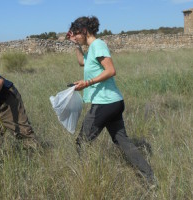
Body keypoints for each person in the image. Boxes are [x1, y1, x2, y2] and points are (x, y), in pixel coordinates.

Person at [66, 16, 156, 187]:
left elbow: (111, 70)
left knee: (81, 143)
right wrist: (76, 45)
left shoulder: (98, 45)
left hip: (105, 103)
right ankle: (150, 178)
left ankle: (86, 180)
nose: (75, 36)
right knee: (122, 141)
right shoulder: (92, 48)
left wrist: (87, 83)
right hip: (112, 103)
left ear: (84, 30)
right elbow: (82, 62)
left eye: (76, 33)